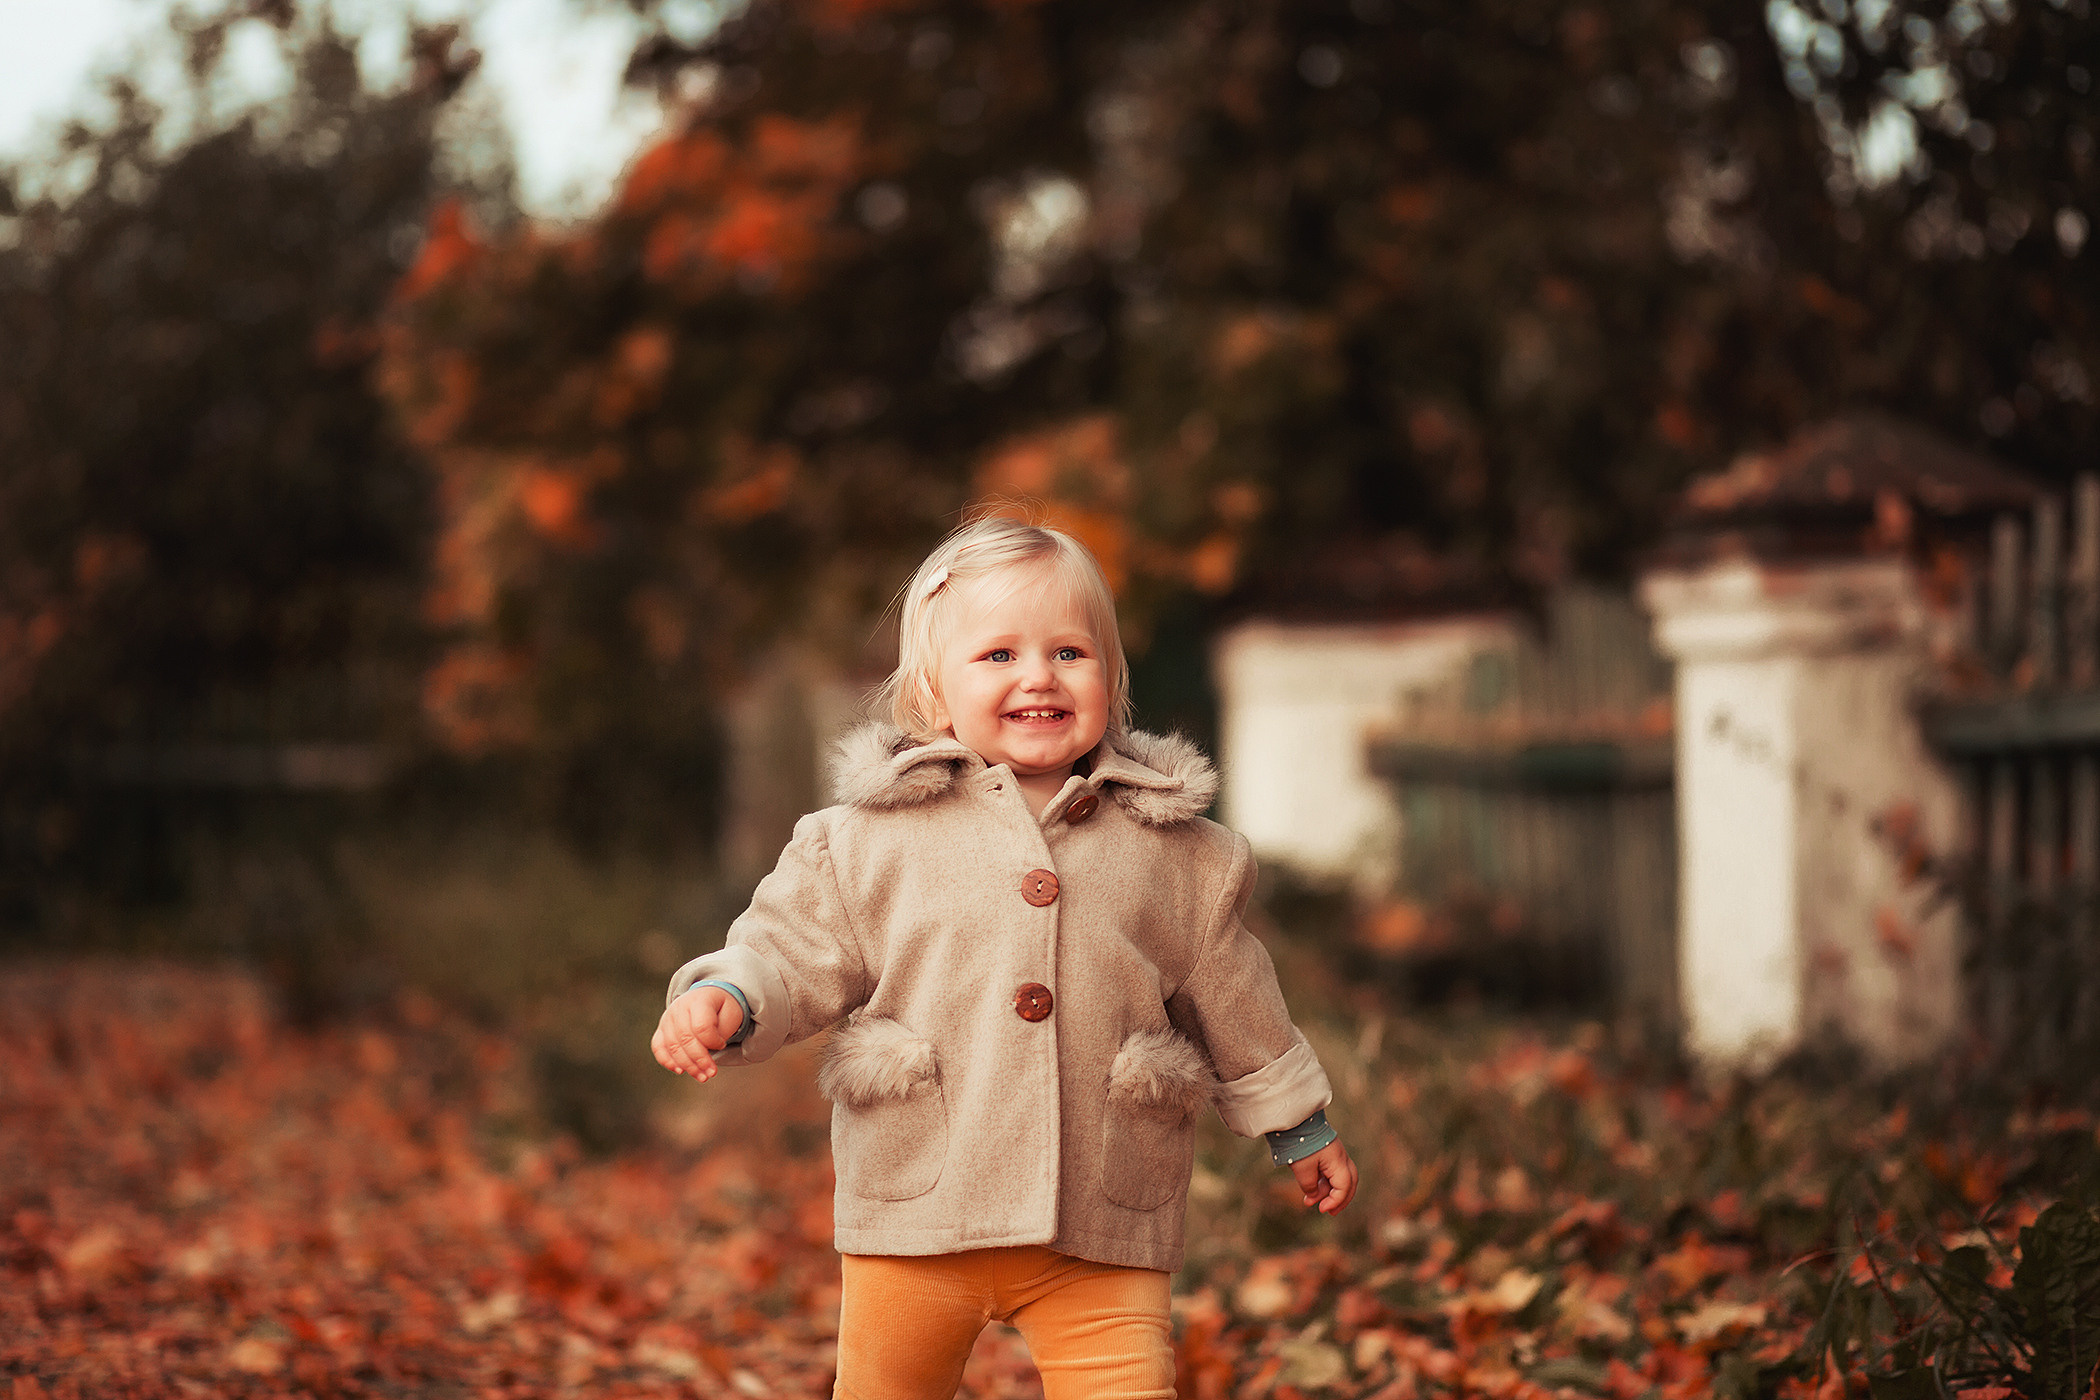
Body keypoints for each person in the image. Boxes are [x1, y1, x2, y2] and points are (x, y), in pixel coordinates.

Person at [650, 513, 1357, 1400]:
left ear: (1111, 677)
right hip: (919, 1211)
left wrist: (1299, 1124)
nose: (1039, 676)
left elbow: (1235, 997)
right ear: (934, 691)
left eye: (1069, 652)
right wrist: (729, 993)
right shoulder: (867, 841)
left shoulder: (1176, 855)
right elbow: (791, 948)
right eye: (998, 655)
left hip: (1101, 1222)